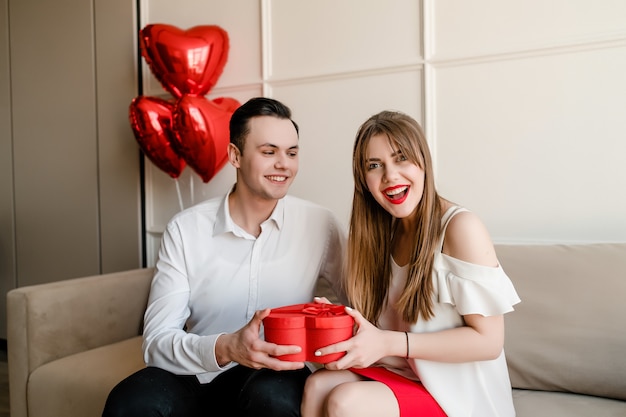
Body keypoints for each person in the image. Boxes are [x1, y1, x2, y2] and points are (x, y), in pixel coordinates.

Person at [102, 97, 346, 417]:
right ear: (235, 156)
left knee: (274, 402)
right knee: (131, 402)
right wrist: (227, 347)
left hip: (276, 375)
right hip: (199, 371)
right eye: (269, 152)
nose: (284, 164)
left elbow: (363, 301)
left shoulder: (320, 224)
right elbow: (157, 343)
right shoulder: (186, 229)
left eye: (292, 153)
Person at [300, 110, 521, 417]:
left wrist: (389, 343)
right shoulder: (378, 236)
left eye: (401, 158)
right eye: (374, 166)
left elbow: (488, 342)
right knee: (318, 385)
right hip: (409, 376)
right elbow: (379, 338)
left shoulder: (460, 228)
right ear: (363, 180)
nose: (390, 175)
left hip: (460, 395)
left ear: (423, 163)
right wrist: (338, 325)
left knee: (345, 401)